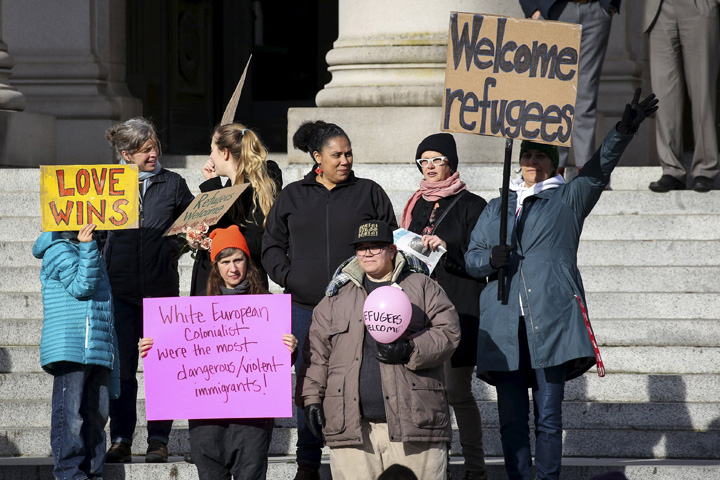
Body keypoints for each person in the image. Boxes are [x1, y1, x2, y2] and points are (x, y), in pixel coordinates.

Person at [464, 89, 658, 480]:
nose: (532, 161)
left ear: (553, 164)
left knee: (549, 417)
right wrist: (490, 260)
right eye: (527, 155)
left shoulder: (568, 198)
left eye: (540, 155)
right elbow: (471, 258)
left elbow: (598, 170)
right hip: (504, 322)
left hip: (551, 320)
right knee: (511, 421)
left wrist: (622, 131)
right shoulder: (497, 205)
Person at [262, 120, 397, 480]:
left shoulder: (369, 192)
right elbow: (271, 244)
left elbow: (391, 241)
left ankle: (351, 454)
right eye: (336, 155)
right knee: (309, 383)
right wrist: (289, 277)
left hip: (356, 308)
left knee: (348, 380)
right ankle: (307, 462)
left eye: (349, 153)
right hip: (304, 309)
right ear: (317, 157)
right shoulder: (292, 195)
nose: (345, 160)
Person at [298, 220, 460, 480]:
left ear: (392, 250)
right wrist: (312, 398)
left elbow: (448, 332)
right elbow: (317, 355)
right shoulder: (335, 296)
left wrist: (411, 348)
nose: (368, 253)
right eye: (361, 248)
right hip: (353, 430)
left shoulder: (422, 285)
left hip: (414, 426)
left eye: (376, 247)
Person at [139, 225, 297, 480]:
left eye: (238, 260)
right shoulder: (195, 310)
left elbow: (275, 365)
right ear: (216, 265)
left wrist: (289, 349)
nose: (233, 268)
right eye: (225, 261)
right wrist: (151, 348)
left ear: (248, 262)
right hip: (207, 420)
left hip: (251, 419)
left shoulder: (268, 307)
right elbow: (172, 358)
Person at [103, 117, 195, 463]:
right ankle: (121, 438)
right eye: (145, 150)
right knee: (123, 371)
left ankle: (159, 439)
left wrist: (171, 249)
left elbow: (194, 223)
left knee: (163, 370)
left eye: (155, 146)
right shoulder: (108, 185)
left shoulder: (173, 183)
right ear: (126, 154)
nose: (154, 153)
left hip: (161, 293)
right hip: (120, 291)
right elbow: (94, 235)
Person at [400, 133, 488, 480]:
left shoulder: (473, 205)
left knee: (456, 391)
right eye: (424, 160)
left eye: (438, 160)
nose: (431, 167)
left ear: (451, 163)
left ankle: (475, 468)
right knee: (423, 394)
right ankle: (434, 467)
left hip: (458, 308)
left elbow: (480, 261)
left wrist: (447, 248)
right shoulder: (415, 203)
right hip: (419, 311)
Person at [32, 224, 119, 480]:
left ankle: (93, 472)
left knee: (97, 414)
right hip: (70, 347)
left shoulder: (86, 249)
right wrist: (87, 246)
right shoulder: (58, 249)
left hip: (95, 346)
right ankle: (70, 473)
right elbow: (82, 285)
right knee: (70, 417)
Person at [519, 0, 621, 174]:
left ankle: (586, 168)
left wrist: (610, 5)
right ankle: (553, 166)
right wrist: (533, 9)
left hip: (596, 10)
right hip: (554, 10)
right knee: (554, 92)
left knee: (586, 91)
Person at [189, 123, 282, 295]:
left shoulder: (258, 186)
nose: (210, 157)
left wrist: (212, 189)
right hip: (219, 284)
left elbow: (247, 240)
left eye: (212, 150)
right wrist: (198, 238)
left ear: (224, 153)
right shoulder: (230, 186)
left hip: (243, 286)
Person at [645, 0, 719, 192]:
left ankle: (705, 169)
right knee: (663, 95)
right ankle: (671, 170)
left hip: (699, 5)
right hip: (659, 8)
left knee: (703, 92)